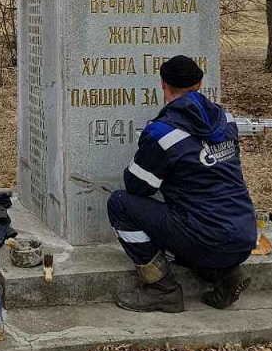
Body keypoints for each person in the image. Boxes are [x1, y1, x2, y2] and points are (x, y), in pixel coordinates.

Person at [107, 55, 257, 313]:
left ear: (163, 85)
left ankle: (161, 289)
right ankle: (224, 274)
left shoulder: (163, 133)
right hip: (244, 235)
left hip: (204, 236)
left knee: (120, 204)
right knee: (197, 221)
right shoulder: (226, 119)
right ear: (200, 85)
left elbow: (137, 187)